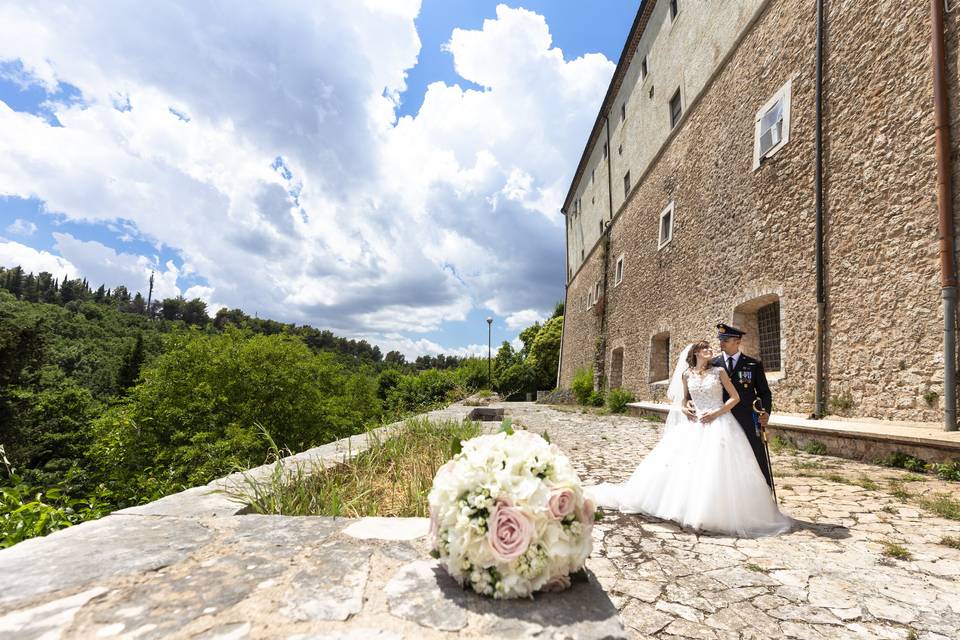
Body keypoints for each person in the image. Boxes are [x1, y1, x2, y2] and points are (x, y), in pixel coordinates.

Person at [585, 340, 791, 537]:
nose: (710, 349)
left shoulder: (719, 371)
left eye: (710, 347)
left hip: (719, 422)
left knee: (716, 467)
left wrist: (716, 413)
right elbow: (684, 400)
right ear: (695, 353)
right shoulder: (686, 375)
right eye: (704, 348)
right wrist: (685, 408)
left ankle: (712, 513)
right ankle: (679, 507)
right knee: (685, 466)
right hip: (694, 423)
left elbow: (735, 397)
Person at [687, 323, 774, 488]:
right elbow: (695, 387)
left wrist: (765, 413)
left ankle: (762, 493)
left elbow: (764, 393)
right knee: (719, 461)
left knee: (754, 456)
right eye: (720, 339)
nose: (721, 343)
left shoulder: (753, 364)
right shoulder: (712, 364)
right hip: (718, 420)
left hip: (747, 418)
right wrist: (688, 404)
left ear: (737, 341)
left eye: (725, 340)